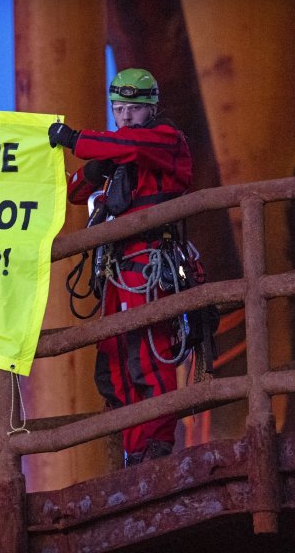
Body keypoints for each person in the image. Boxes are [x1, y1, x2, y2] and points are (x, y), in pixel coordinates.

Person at [49, 68, 193, 467]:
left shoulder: (166, 139)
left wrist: (76, 140)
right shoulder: (118, 152)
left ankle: (157, 446)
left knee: (147, 350)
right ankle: (137, 450)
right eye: (118, 108)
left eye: (134, 108)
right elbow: (76, 189)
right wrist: (96, 166)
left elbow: (129, 145)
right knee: (114, 357)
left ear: (151, 109)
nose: (125, 116)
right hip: (116, 268)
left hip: (149, 262)